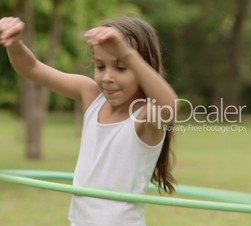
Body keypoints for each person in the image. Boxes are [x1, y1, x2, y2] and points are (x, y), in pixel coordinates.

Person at [0, 15, 177, 226]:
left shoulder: (145, 118)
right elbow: (31, 68)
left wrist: (127, 54)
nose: (107, 77)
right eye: (100, 66)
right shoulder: (91, 95)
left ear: (144, 67)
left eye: (120, 67)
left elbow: (170, 106)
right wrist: (15, 43)